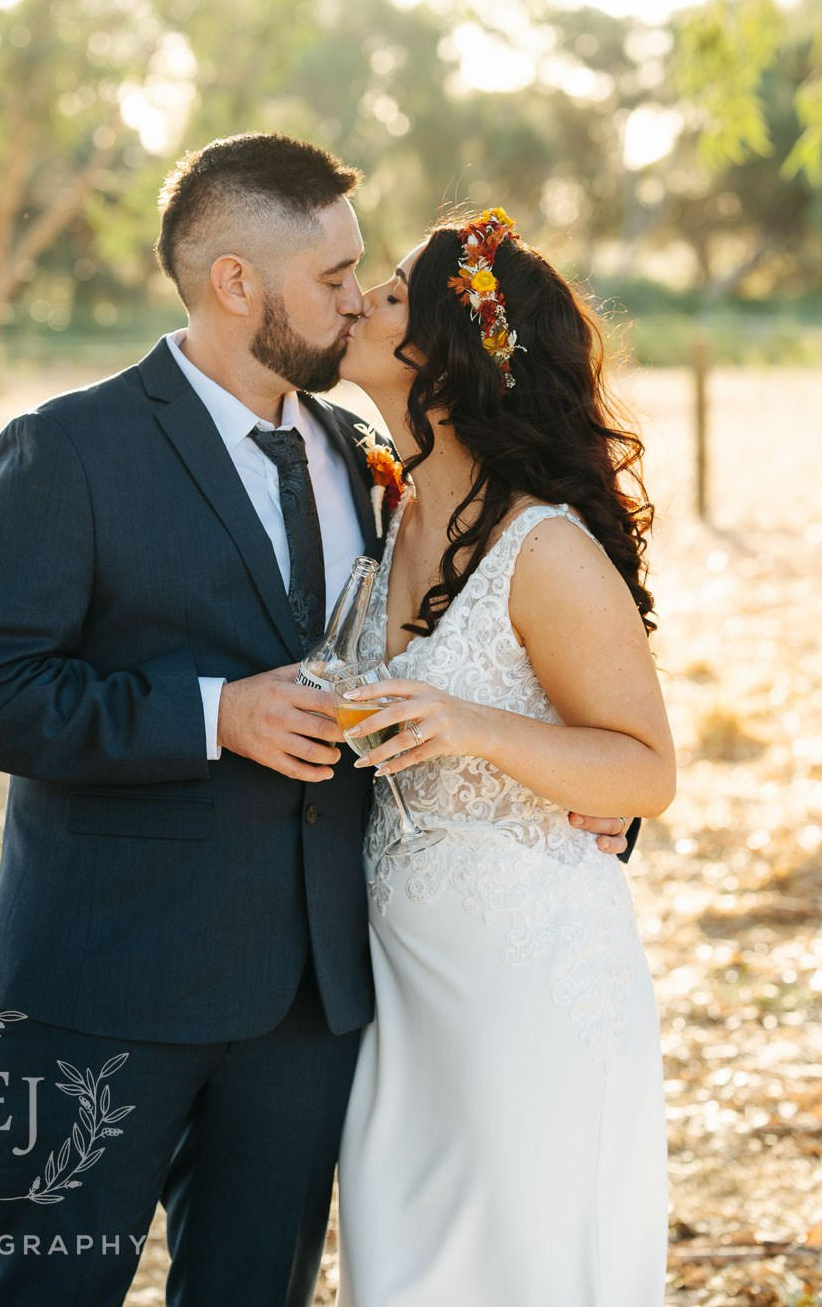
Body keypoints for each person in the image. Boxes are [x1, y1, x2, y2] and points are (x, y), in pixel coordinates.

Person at [0, 135, 631, 1307]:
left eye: (361, 270)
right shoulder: (68, 449)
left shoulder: (368, 457)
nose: (358, 299)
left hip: (309, 1006)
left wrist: (578, 811)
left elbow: (501, 663)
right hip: (101, 990)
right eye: (334, 277)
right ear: (236, 284)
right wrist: (216, 714)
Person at [335, 207, 674, 1306]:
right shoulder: (375, 513)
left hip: (526, 986)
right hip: (400, 990)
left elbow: (644, 771)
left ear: (446, 352)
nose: (358, 302)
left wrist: (473, 726)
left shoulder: (547, 551)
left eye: (387, 293)